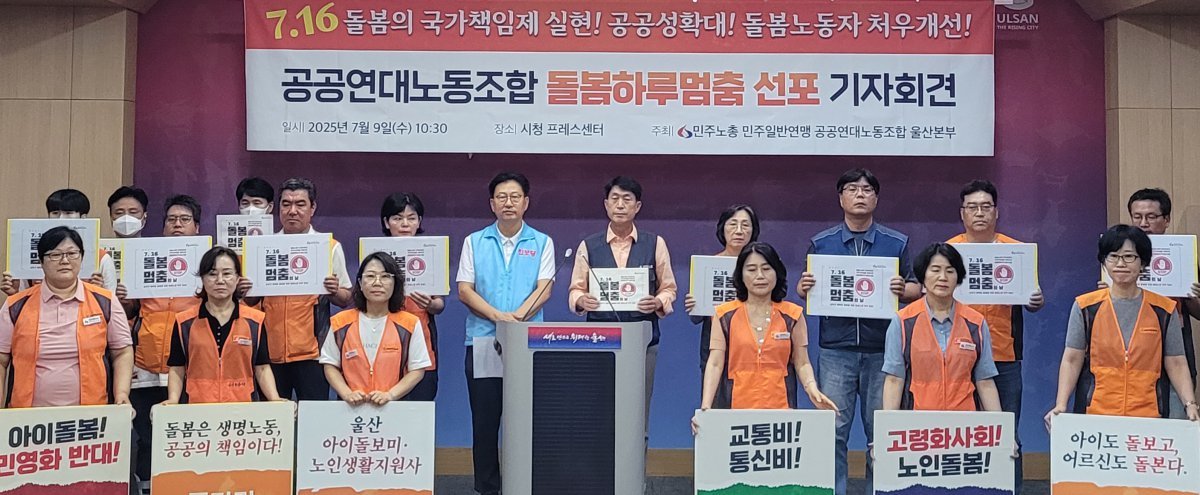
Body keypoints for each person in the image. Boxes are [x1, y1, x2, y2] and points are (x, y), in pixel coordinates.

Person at [796, 168, 920, 495]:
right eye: (852, 189)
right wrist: (803, 287)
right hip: (836, 350)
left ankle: (879, 490)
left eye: (867, 189)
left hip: (883, 351)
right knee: (832, 431)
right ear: (841, 198)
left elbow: (916, 287)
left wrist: (904, 288)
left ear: (876, 198)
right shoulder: (821, 243)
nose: (860, 194)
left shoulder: (896, 243)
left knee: (882, 432)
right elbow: (806, 291)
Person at [457, 172, 555, 495]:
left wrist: (516, 319)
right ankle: (488, 489)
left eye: (515, 197)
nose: (508, 203)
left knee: (526, 422)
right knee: (485, 424)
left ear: (526, 202)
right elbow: (465, 290)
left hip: (529, 344)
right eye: (501, 197)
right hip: (483, 341)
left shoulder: (542, 242)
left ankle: (525, 486)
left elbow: (545, 288)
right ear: (492, 203)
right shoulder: (474, 241)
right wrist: (499, 317)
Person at [1045, 225, 1199, 426]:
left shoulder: (1164, 309)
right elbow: (1072, 359)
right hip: (1096, 412)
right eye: (1113, 256)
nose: (1120, 264)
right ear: (1104, 262)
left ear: (1143, 262)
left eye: (1129, 257)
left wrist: (1190, 404)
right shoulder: (1085, 306)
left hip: (1148, 413)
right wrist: (1061, 404)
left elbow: (1176, 362)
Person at [946, 180, 1043, 491]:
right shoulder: (947, 252)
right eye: (972, 207)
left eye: (985, 207)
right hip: (955, 357)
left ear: (996, 212)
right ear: (962, 213)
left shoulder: (1016, 252)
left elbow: (1031, 300)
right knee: (960, 433)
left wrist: (1034, 300)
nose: (979, 213)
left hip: (1004, 355)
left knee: (1006, 432)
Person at [568, 176, 678, 435]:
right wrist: (581, 300)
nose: (620, 205)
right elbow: (575, 289)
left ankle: (637, 463)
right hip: (599, 339)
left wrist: (658, 301)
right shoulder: (588, 245)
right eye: (614, 199)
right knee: (600, 408)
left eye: (627, 199)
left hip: (643, 340)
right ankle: (601, 462)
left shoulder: (655, 243)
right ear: (606, 204)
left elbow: (669, 288)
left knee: (638, 411)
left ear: (637, 206)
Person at [692, 242, 836, 433]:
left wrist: (812, 390)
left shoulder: (793, 315)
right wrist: (705, 407)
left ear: (777, 272)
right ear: (741, 275)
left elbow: (802, 362)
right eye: (751, 269)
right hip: (736, 407)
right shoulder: (724, 314)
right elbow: (715, 363)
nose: (759, 276)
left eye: (766, 269)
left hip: (781, 407)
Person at [119, 195, 204, 487]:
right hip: (145, 365)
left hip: (189, 367)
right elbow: (131, 312)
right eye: (171, 220)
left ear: (197, 227)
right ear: (163, 226)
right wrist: (125, 300)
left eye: (184, 220)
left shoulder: (207, 263)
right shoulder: (144, 257)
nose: (177, 225)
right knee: (146, 437)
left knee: (185, 436)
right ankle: (146, 487)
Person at [0, 226, 134, 408]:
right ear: (41, 261)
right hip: (27, 415)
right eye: (55, 255)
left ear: (82, 258)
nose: (65, 260)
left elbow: (122, 352)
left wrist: (122, 393)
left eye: (72, 253)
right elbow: (1, 360)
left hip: (91, 413)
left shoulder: (105, 301)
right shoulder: (16, 305)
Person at [245, 178, 352, 401]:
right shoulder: (263, 246)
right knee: (274, 418)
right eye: (286, 204)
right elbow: (251, 300)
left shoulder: (329, 246)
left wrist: (333, 290)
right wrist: (244, 290)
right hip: (270, 354)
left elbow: (345, 298)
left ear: (312, 208)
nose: (292, 211)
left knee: (313, 418)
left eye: (300, 204)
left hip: (313, 354)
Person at [881, 243, 1002, 412]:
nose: (943, 277)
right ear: (923, 275)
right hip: (917, 420)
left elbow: (985, 380)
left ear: (958, 277)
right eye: (935, 270)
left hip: (964, 421)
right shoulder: (903, 321)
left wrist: (1000, 425)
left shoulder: (976, 322)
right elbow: (894, 379)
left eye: (950, 271)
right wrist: (888, 424)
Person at [162, 246, 280, 404]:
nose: (220, 280)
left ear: (237, 278)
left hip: (242, 407)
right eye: (212, 274)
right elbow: (177, 368)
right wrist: (172, 399)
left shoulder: (255, 321)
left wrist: (275, 399)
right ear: (202, 279)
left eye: (227, 273)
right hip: (197, 406)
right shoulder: (184, 322)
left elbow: (262, 367)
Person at [1120, 188, 1200, 418]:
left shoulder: (1183, 255)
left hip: (1174, 343)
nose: (1143, 224)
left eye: (1151, 217)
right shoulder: (1118, 257)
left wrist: (1192, 297)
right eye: (1137, 217)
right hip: (1130, 345)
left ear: (1166, 220)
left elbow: (1198, 312)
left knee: (1177, 417)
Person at [322, 252, 432, 405]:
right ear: (360, 283)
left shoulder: (410, 323)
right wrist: (347, 394)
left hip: (394, 407)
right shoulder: (340, 322)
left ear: (395, 283)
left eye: (385, 276)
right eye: (370, 276)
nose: (377, 283)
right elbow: (330, 364)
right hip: (350, 408)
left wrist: (390, 395)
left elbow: (417, 370)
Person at [379, 192, 443, 401]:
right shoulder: (375, 255)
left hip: (420, 339)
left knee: (420, 408)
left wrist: (431, 304)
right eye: (397, 218)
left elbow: (439, 304)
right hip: (381, 342)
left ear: (419, 221)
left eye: (411, 218)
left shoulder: (430, 253)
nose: (405, 224)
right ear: (386, 222)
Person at [1, 189, 119, 296]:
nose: (60, 219)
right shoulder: (32, 255)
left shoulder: (101, 258)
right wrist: (14, 293)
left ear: (83, 218)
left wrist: (98, 294)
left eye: (68, 213)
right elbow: (22, 300)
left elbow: (111, 302)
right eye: (55, 213)